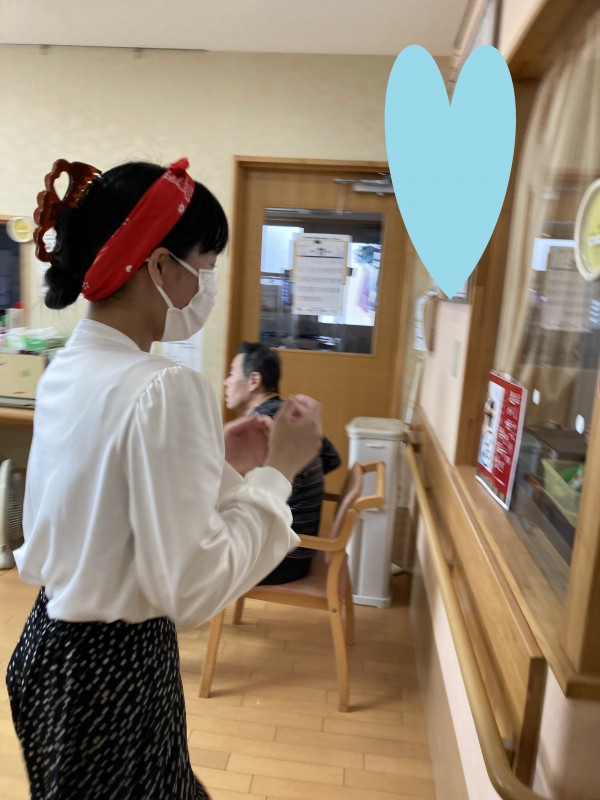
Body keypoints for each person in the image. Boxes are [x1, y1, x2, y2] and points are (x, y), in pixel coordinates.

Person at [5, 157, 322, 800]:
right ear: (158, 265)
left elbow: (103, 496)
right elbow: (193, 586)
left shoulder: (67, 366)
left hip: (46, 651)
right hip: (112, 670)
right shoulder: (164, 387)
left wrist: (215, 460)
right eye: (206, 263)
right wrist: (279, 473)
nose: (208, 283)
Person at [224, 341, 341, 584]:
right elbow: (332, 458)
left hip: (282, 556)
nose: (226, 382)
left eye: (232, 374)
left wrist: (291, 482)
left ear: (254, 381)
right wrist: (298, 482)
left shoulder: (262, 425)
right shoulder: (289, 417)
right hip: (298, 549)